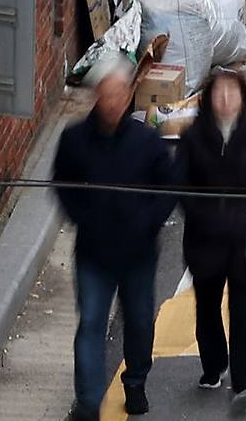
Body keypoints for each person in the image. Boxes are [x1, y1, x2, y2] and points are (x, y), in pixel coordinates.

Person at [54, 59, 178, 420]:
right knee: (91, 321)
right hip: (94, 252)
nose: (113, 103)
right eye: (106, 96)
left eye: (120, 95)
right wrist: (85, 218)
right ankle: (89, 400)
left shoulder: (148, 142)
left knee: (139, 319)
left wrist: (149, 221)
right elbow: (63, 187)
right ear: (97, 97)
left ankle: (135, 381)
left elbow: (168, 188)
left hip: (138, 253)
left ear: (127, 97)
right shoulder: (74, 139)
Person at [177, 71, 246, 416]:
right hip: (203, 239)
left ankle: (244, 377)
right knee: (206, 305)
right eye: (218, 93)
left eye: (231, 93)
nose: (225, 100)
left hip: (241, 240)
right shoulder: (192, 137)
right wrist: (205, 213)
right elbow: (182, 186)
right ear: (208, 98)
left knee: (241, 306)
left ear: (243, 97)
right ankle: (213, 363)